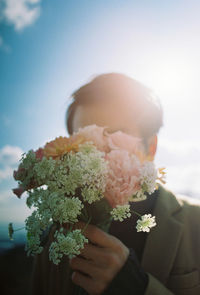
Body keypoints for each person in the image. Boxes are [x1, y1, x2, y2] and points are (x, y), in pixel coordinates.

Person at [31, 73, 200, 295]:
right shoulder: (53, 236)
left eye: (114, 137)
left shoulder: (195, 223)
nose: (97, 156)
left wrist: (137, 287)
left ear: (150, 148)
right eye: (84, 142)